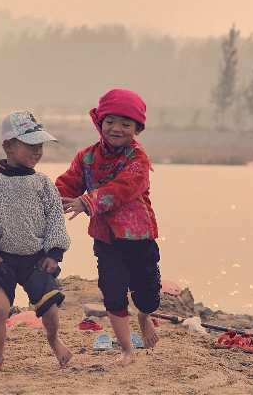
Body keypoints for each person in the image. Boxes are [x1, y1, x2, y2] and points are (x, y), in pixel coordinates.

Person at [56, 88, 161, 367]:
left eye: (126, 124)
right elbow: (67, 184)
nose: (117, 129)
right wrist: (48, 197)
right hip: (106, 239)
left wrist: (87, 202)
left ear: (137, 129)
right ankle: (127, 350)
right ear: (99, 123)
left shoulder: (139, 159)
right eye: (110, 121)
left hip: (139, 237)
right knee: (112, 292)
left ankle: (144, 315)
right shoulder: (86, 158)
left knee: (147, 295)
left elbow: (123, 189)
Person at [0, 111, 73, 371]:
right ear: (8, 146)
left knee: (49, 309)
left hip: (36, 259)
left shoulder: (44, 184)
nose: (37, 150)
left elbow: (55, 219)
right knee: (0, 308)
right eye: (30, 145)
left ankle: (53, 338)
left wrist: (54, 254)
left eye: (40, 145)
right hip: (1, 260)